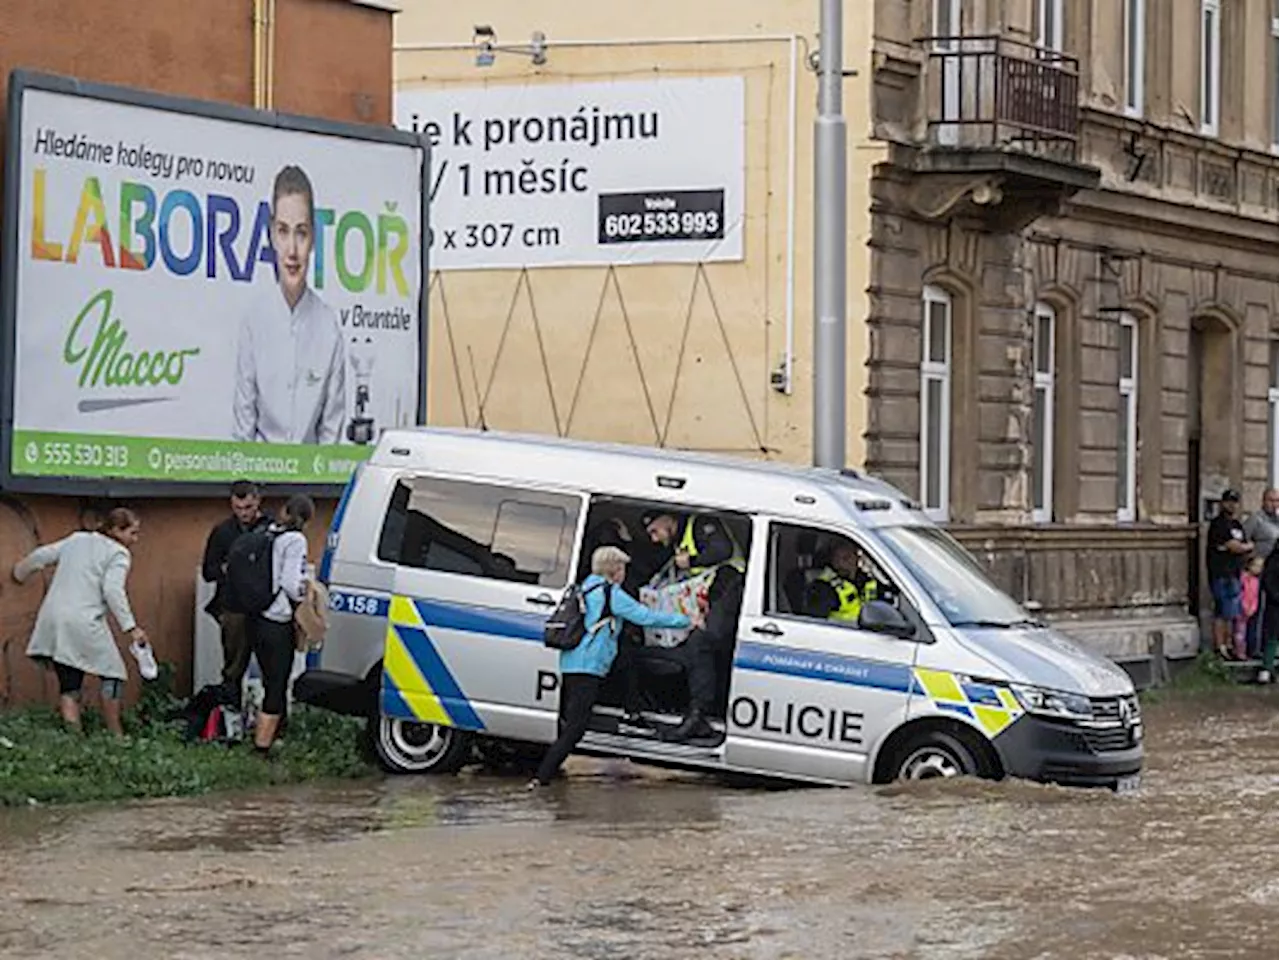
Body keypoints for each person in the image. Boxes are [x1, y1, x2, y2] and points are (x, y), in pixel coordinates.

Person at [529, 546, 702, 789]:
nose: (624, 573)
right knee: (576, 728)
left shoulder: (586, 585)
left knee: (578, 714)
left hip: (571, 662)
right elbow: (645, 617)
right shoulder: (610, 593)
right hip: (588, 665)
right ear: (614, 570)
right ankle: (541, 778)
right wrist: (686, 620)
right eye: (622, 568)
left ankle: (632, 711)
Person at [232, 165, 347, 445]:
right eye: (283, 232)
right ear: (271, 234)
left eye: (301, 233)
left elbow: (330, 432)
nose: (292, 251)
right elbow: (243, 428)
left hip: (311, 485)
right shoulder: (254, 321)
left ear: (313, 239)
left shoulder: (328, 327)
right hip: (260, 482)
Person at [12, 508, 151, 737]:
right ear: (116, 530)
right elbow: (113, 591)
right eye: (132, 533)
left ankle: (74, 741)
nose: (135, 540)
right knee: (113, 674)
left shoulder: (77, 539)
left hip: (53, 620)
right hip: (84, 621)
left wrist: (18, 574)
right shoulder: (118, 554)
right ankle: (116, 735)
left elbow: (40, 556)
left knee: (69, 685)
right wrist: (131, 628)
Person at [642, 510, 746, 742]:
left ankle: (699, 716)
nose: (654, 539)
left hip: (730, 587)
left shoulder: (701, 523)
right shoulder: (679, 539)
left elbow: (723, 550)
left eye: (654, 531)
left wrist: (692, 561)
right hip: (713, 595)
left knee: (702, 642)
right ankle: (697, 712)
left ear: (666, 519)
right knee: (695, 646)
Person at [248, 494, 315, 755]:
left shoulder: (268, 534)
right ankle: (262, 747)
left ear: (284, 511)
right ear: (307, 519)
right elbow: (289, 581)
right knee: (277, 684)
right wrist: (305, 593)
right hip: (278, 619)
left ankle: (274, 733)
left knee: (267, 679)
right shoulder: (296, 540)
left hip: (257, 616)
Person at [201, 480, 270, 697]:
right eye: (238, 508)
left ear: (257, 501)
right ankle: (231, 714)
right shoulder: (223, 531)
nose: (243, 514)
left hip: (265, 607)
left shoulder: (269, 529)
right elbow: (208, 571)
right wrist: (227, 568)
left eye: (248, 508)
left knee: (269, 667)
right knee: (233, 668)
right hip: (233, 607)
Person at [1207, 489, 1253, 660]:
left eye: (1235, 502)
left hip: (1235, 572)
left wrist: (1243, 547)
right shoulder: (1219, 524)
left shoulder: (1237, 525)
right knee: (1222, 610)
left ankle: (1231, 645)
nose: (1232, 505)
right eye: (1228, 501)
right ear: (1222, 503)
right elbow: (1237, 546)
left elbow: (1244, 545)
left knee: (1233, 612)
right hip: (1220, 573)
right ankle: (1220, 647)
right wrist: (1243, 547)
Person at [803, 541, 881, 622]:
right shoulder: (823, 587)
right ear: (832, 560)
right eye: (837, 558)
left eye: (846, 557)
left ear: (857, 558)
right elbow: (814, 623)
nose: (841, 563)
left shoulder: (869, 580)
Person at [1239, 555, 1263, 661]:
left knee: (1250, 629)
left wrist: (1252, 608)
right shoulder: (1242, 578)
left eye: (1260, 567)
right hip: (1241, 609)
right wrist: (1244, 606)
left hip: (1251, 609)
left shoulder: (1256, 581)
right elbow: (1241, 593)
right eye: (1256, 566)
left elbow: (1255, 596)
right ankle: (1240, 652)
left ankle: (1251, 650)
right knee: (1240, 632)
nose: (1258, 569)